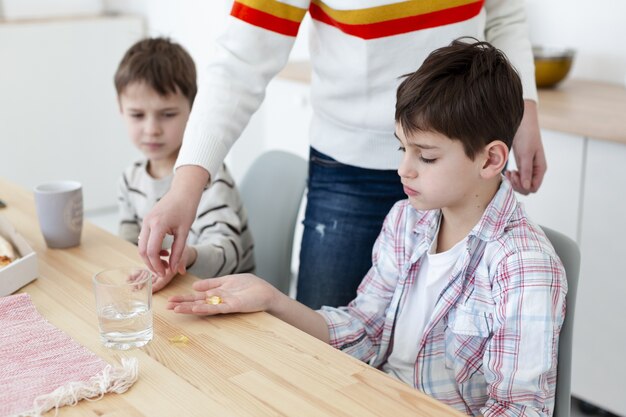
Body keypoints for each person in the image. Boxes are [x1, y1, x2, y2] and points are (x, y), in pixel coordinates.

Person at [167, 39, 567, 416]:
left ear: (491, 159)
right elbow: (366, 331)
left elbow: (519, 408)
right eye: (401, 148)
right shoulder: (406, 221)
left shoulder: (523, 267)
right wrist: (273, 300)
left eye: (425, 156)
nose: (403, 169)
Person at [139, 0, 547, 309]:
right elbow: (239, 62)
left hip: (464, 166)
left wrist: (524, 111)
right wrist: (185, 187)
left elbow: (505, 15)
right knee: (330, 346)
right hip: (349, 171)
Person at [114, 37, 255, 292]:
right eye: (137, 115)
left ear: (194, 110)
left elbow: (229, 251)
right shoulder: (130, 179)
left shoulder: (209, 178)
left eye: (167, 115)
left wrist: (187, 257)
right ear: (120, 109)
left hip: (221, 297)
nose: (151, 129)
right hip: (170, 293)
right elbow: (126, 244)